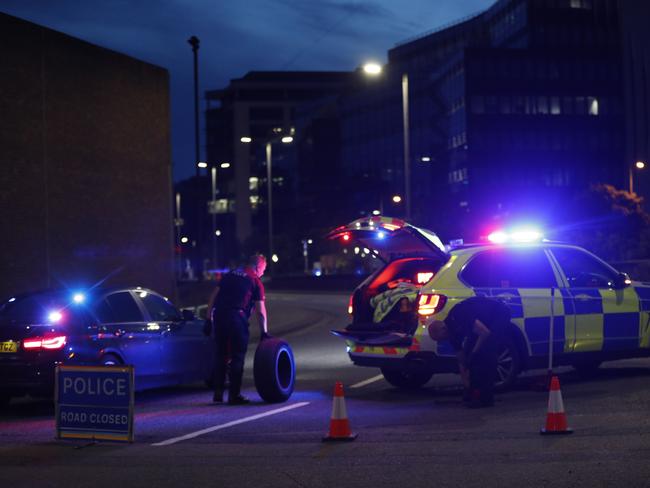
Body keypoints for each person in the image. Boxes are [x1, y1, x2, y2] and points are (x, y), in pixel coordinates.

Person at [207, 254, 269, 405]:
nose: (263, 273)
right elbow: (260, 311)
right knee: (237, 357)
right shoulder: (255, 281)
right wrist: (264, 333)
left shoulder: (229, 275)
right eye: (263, 269)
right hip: (236, 318)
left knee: (221, 355)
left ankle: (218, 393)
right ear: (257, 267)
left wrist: (209, 319)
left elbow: (213, 297)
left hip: (220, 317)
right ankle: (234, 395)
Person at [428, 296, 509, 408]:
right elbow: (462, 362)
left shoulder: (459, 316)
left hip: (498, 313)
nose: (444, 340)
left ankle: (486, 399)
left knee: (485, 354)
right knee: (471, 354)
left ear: (443, 329)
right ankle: (475, 392)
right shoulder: (451, 334)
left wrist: (474, 354)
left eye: (442, 338)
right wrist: (467, 386)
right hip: (482, 324)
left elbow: (485, 333)